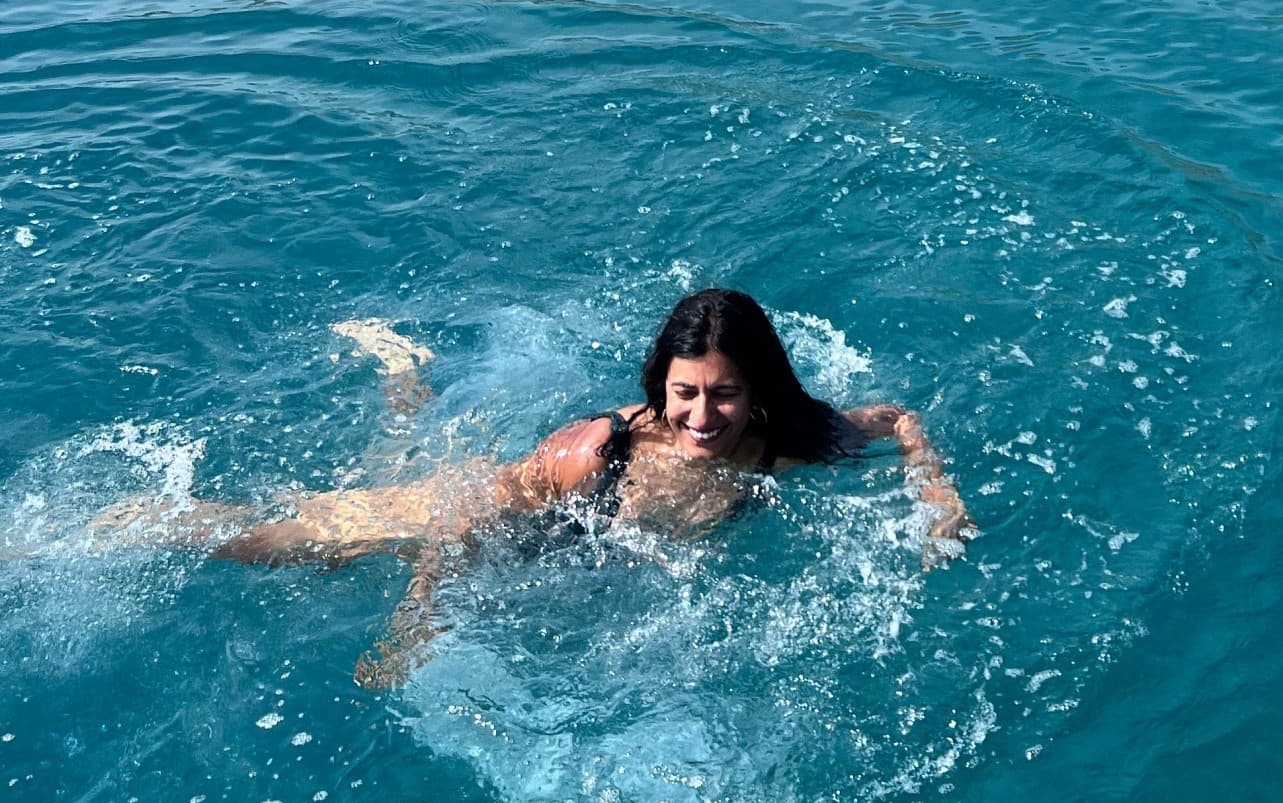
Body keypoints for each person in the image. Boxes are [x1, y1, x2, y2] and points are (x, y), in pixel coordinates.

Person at [101, 289, 973, 688]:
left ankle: (405, 375)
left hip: (561, 543)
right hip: (497, 512)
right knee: (285, 543)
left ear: (760, 391)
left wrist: (939, 496)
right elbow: (457, 521)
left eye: (725, 393)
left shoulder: (784, 440)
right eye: (684, 394)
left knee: (385, 470)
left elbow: (896, 418)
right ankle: (125, 524)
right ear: (658, 388)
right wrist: (416, 630)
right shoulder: (599, 453)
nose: (704, 416)